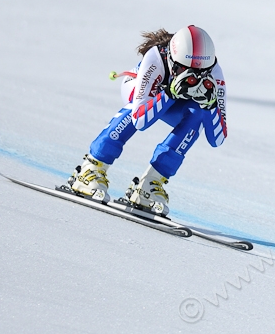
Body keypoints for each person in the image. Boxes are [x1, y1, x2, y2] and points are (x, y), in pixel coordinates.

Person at [67, 25, 227, 215]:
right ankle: (92, 167)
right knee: (135, 108)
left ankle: (151, 183)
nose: (191, 76)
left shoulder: (215, 73)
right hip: (141, 91)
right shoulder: (156, 58)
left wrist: (210, 106)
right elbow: (139, 121)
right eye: (184, 69)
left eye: (200, 72)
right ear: (172, 59)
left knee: (198, 114)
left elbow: (217, 140)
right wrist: (168, 93)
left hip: (170, 101)